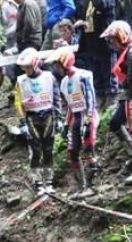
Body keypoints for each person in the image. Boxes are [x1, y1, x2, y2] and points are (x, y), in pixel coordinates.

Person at [101, 20, 132, 182]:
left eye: (112, 40)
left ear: (121, 36)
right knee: (115, 122)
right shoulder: (127, 49)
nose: (111, 44)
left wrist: (129, 79)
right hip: (129, 93)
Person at [51, 47, 100, 195]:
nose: (57, 68)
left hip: (87, 114)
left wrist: (88, 121)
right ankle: (81, 186)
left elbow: (91, 100)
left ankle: (92, 186)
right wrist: (66, 125)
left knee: (88, 150)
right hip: (75, 117)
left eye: (58, 65)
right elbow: (70, 106)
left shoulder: (83, 75)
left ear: (65, 63)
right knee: (72, 152)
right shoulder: (64, 82)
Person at [15, 48, 61, 194]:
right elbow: (18, 103)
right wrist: (22, 123)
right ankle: (37, 182)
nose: (26, 70)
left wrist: (59, 118)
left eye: (28, 67)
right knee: (35, 150)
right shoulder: (21, 80)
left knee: (48, 149)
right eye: (24, 67)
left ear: (35, 64)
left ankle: (49, 180)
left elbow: (57, 98)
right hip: (31, 117)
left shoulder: (49, 77)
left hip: (48, 115)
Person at [74, 0, 117, 110]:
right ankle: (99, 96)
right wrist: (81, 23)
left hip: (104, 40)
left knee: (108, 70)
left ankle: (111, 96)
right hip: (90, 40)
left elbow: (104, 6)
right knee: (95, 70)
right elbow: (84, 15)